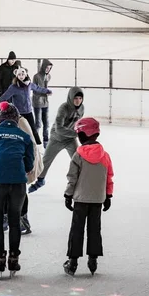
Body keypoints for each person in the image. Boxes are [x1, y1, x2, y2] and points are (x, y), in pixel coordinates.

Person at [0, 102, 34, 277]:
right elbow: (29, 165)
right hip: (17, 183)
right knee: (15, 221)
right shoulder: (25, 137)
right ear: (17, 119)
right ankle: (14, 261)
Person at [63, 117, 113, 276]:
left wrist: (68, 194)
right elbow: (109, 177)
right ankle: (93, 260)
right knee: (94, 229)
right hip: (98, 199)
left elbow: (72, 177)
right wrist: (108, 196)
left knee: (76, 229)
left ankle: (73, 262)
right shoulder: (105, 156)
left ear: (82, 135)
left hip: (80, 199)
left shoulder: (78, 155)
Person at [0, 101, 44, 234]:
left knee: (19, 191)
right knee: (3, 190)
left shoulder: (21, 122)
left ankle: (22, 219)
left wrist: (28, 165)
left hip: (21, 163)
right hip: (3, 164)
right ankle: (5, 217)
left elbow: (30, 144)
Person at [29, 87, 84, 193]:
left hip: (70, 139)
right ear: (71, 98)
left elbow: (78, 123)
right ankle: (40, 180)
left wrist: (80, 131)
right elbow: (59, 128)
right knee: (45, 161)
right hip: (56, 138)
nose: (78, 101)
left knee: (79, 161)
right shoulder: (63, 108)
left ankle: (80, 183)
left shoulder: (82, 109)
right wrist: (75, 133)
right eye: (75, 98)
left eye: (80, 98)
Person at [0, 66, 51, 145]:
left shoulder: (29, 85)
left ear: (26, 75)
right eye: (19, 75)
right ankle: (16, 145)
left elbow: (38, 88)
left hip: (28, 112)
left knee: (33, 130)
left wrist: (47, 91)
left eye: (22, 74)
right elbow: (4, 96)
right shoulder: (13, 87)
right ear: (17, 76)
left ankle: (38, 145)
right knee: (17, 130)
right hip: (18, 113)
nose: (21, 76)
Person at [32, 59, 53, 148]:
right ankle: (34, 140)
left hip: (45, 103)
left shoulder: (48, 76)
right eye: (47, 67)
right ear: (43, 67)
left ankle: (46, 141)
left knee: (46, 123)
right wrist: (46, 92)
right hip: (37, 102)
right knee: (38, 123)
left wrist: (47, 93)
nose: (48, 69)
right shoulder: (36, 76)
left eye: (49, 68)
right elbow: (35, 90)